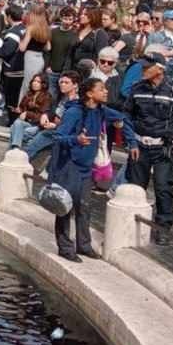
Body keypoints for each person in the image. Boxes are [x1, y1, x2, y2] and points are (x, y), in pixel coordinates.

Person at [53, 77, 137, 262]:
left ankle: (83, 245)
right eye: (101, 89)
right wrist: (76, 140)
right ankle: (65, 248)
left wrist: (132, 142)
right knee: (65, 207)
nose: (106, 91)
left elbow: (123, 119)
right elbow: (58, 137)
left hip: (86, 169)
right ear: (90, 93)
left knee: (84, 206)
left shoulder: (101, 111)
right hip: (69, 167)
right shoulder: (74, 112)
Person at [123, 55, 173, 245]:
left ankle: (163, 228)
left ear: (160, 69)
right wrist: (131, 142)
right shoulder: (137, 89)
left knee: (163, 188)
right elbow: (127, 115)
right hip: (140, 146)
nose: (143, 70)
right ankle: (132, 222)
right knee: (136, 187)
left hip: (164, 147)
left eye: (147, 67)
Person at [8, 73, 52, 149]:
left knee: (14, 129)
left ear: (43, 84)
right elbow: (22, 108)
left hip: (36, 125)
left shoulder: (47, 97)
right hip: (26, 123)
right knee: (16, 125)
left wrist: (28, 114)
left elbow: (43, 116)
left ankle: (13, 149)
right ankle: (16, 148)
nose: (35, 83)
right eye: (34, 81)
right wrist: (17, 110)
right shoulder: (28, 94)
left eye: (38, 82)